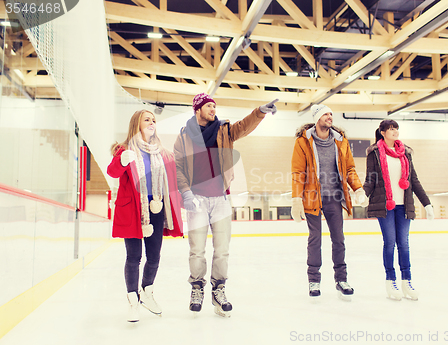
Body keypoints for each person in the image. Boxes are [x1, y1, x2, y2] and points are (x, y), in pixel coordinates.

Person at [174, 93, 278, 317]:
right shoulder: (184, 135)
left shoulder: (223, 129)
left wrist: (260, 111)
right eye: (208, 106)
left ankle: (219, 290)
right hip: (197, 201)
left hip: (220, 199)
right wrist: (186, 193)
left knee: (222, 250)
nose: (213, 109)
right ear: (198, 109)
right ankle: (197, 288)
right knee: (197, 251)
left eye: (214, 105)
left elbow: (244, 126)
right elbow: (179, 169)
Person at [107, 109, 183, 322]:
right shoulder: (124, 149)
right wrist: (121, 161)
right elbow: (112, 172)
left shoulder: (162, 152)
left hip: (156, 207)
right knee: (134, 257)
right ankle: (132, 301)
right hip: (132, 209)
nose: (152, 122)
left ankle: (146, 292)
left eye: (154, 120)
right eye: (147, 119)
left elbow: (176, 178)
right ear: (136, 124)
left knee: (154, 256)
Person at [291, 104, 368, 301]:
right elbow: (298, 172)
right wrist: (296, 199)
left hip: (335, 197)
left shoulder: (340, 141)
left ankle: (341, 280)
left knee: (339, 239)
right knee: (315, 239)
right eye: (326, 114)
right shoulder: (303, 142)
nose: (330, 117)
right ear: (317, 118)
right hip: (312, 197)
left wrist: (357, 188)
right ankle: (314, 280)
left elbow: (349, 168)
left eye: (331, 114)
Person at [363, 119, 434, 301]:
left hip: (404, 205)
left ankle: (407, 281)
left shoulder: (405, 153)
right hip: (385, 205)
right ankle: (391, 281)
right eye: (391, 129)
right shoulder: (375, 153)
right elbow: (370, 179)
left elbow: (414, 180)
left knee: (404, 244)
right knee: (390, 243)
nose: (395, 131)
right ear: (383, 132)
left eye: (396, 128)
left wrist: (427, 203)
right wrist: (363, 194)